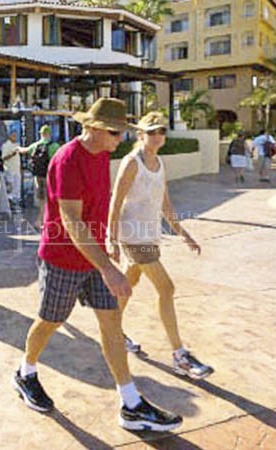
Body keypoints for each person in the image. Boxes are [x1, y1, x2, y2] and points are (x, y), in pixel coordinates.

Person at [12, 98, 183, 432]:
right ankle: (25, 372)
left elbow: (101, 206)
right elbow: (72, 221)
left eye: (121, 133)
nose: (119, 140)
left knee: (111, 323)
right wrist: (107, 266)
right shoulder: (67, 160)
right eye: (114, 132)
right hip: (62, 257)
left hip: (95, 258)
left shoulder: (102, 153)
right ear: (91, 128)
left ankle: (130, 403)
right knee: (50, 321)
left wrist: (110, 243)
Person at [106, 111, 213, 380]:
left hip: (151, 235)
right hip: (133, 236)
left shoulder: (159, 162)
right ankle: (180, 355)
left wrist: (183, 233)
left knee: (128, 287)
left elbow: (165, 204)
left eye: (161, 131)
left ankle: (111, 330)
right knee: (167, 288)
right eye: (152, 131)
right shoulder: (132, 163)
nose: (158, 136)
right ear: (140, 134)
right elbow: (115, 201)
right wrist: (111, 238)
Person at [18, 124, 60, 227]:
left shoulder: (36, 145)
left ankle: (40, 219)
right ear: (49, 134)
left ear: (41, 134)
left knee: (41, 198)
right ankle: (45, 219)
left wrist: (18, 148)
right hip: (49, 175)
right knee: (50, 197)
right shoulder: (55, 146)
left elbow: (24, 150)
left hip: (38, 175)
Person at [0, 129, 22, 205]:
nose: (15, 137)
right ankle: (10, 202)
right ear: (9, 136)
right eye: (13, 135)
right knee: (10, 187)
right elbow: (3, 158)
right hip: (9, 170)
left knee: (17, 187)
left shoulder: (17, 145)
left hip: (17, 170)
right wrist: (11, 154)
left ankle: (17, 201)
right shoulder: (6, 145)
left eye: (15, 136)